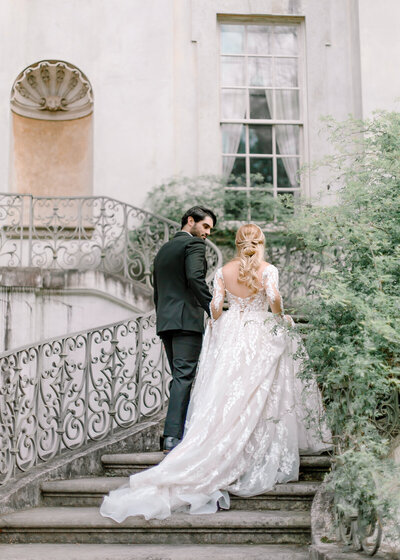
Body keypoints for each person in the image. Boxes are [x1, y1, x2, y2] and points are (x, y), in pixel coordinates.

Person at [100, 223, 332, 522]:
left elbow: (215, 306)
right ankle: (254, 443)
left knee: (228, 392)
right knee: (261, 390)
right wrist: (280, 315)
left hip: (233, 331)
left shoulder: (224, 271)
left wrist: (221, 318)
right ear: (260, 243)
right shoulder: (268, 269)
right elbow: (273, 297)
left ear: (237, 244)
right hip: (261, 330)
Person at [152, 206, 217, 454]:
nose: (207, 233)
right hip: (186, 322)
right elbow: (195, 279)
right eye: (205, 226)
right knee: (184, 377)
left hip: (166, 322)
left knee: (180, 377)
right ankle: (172, 437)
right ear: (191, 221)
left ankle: (175, 432)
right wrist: (213, 310)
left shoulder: (164, 250)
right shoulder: (194, 246)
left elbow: (156, 287)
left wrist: (163, 318)